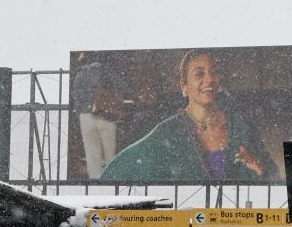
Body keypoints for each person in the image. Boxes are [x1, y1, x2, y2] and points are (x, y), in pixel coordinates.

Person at [99, 51, 277, 182]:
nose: (209, 79)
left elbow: (272, 177)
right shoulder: (167, 132)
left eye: (213, 72)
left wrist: (259, 169)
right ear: (184, 87)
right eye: (199, 74)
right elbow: (116, 172)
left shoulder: (241, 127)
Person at [72, 52, 121, 178]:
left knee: (92, 155)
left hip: (85, 117)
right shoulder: (107, 72)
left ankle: (95, 180)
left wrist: (81, 113)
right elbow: (121, 89)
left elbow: (76, 97)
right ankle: (111, 179)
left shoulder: (80, 75)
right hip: (105, 115)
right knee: (110, 153)